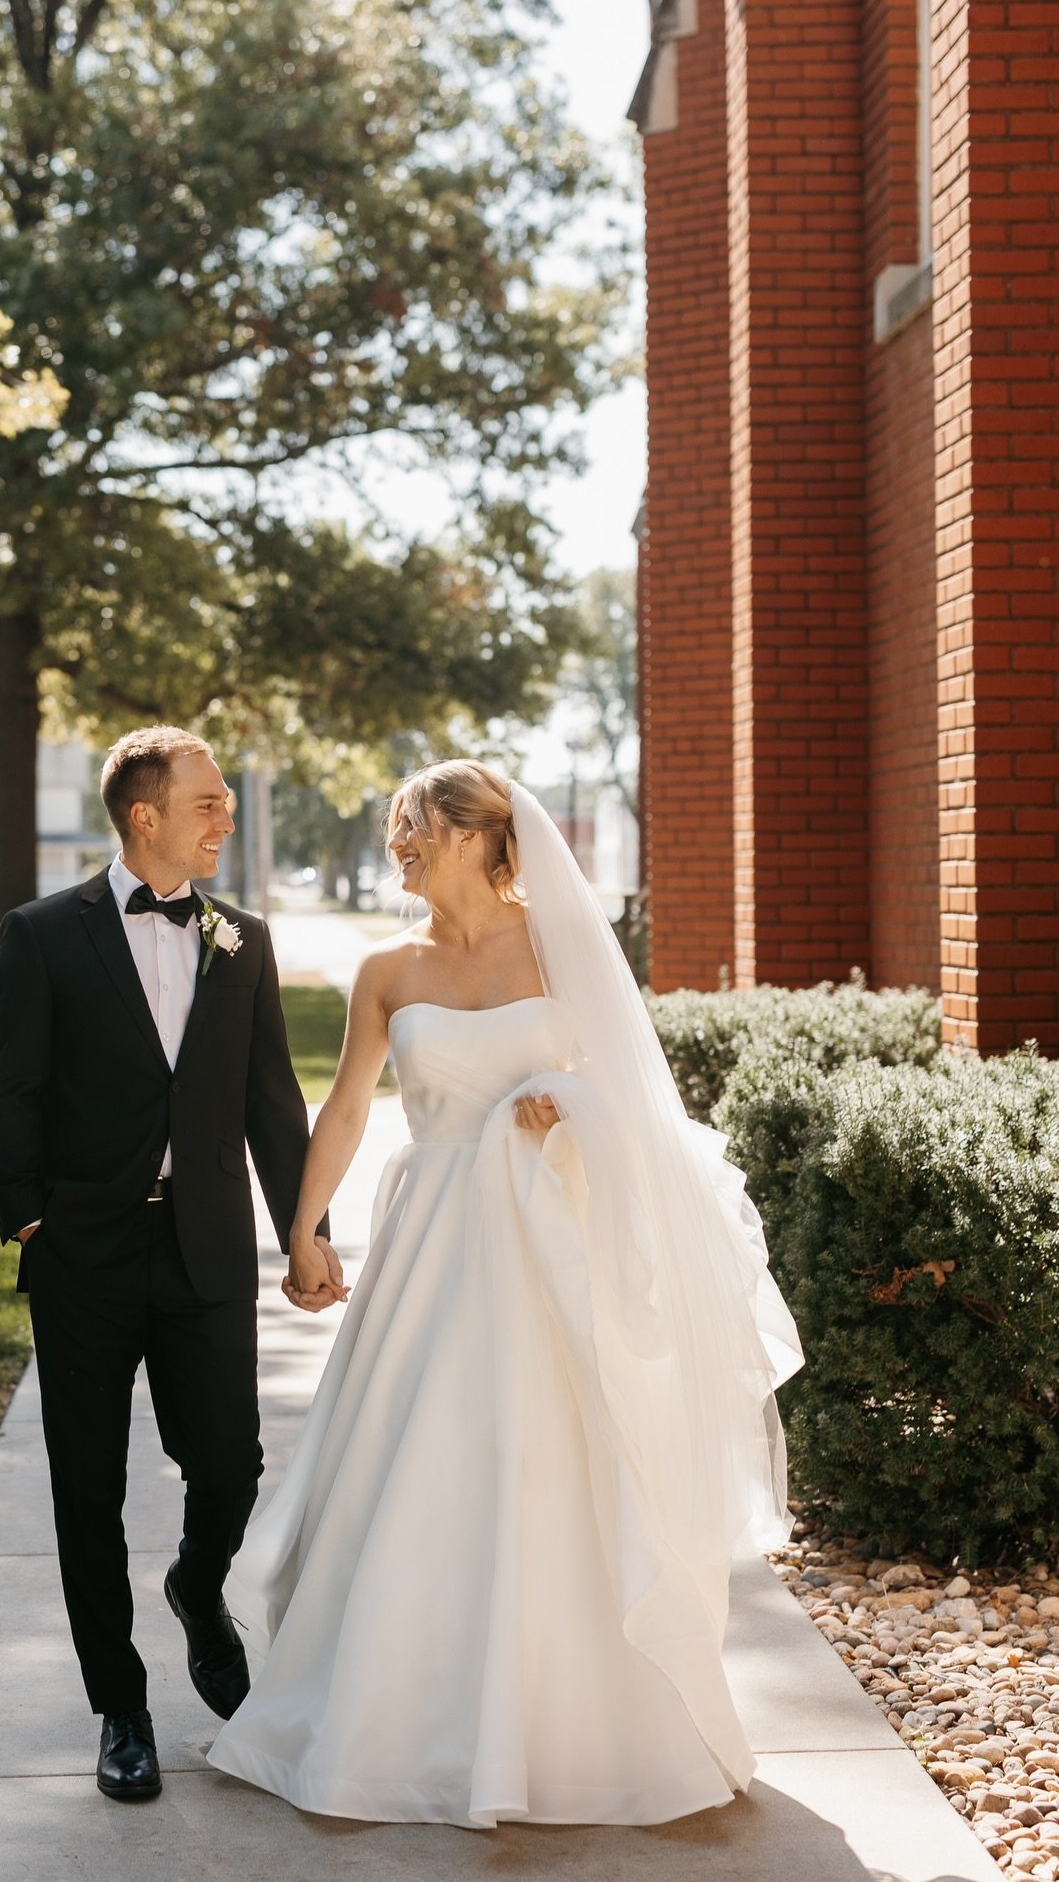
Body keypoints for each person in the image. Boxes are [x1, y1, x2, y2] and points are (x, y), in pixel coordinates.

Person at [207, 760, 804, 1828]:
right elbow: (345, 1108)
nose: (401, 840)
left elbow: (632, 1094)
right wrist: (303, 1227)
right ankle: (394, 1718)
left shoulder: (561, 948)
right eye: (396, 826)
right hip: (432, 1242)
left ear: (485, 836)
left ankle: (571, 1730)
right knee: (420, 1458)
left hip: (543, 1238)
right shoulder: (387, 969)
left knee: (549, 1464)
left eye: (418, 823)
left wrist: (567, 1110)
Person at [0, 725, 340, 1805]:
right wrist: (30, 1224)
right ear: (146, 816)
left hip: (207, 1248)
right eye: (210, 802)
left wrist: (303, 1230)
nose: (225, 817)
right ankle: (121, 1708)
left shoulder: (244, 940)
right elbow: (12, 1093)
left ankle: (197, 1583)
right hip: (84, 1253)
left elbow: (273, 1103)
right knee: (86, 1489)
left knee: (229, 1462)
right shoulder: (43, 936)